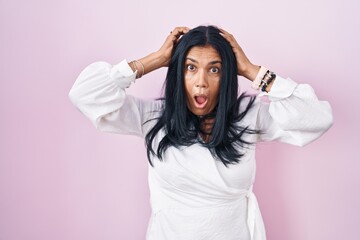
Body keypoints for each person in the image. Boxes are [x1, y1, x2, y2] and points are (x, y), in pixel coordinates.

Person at [68, 25, 333, 240]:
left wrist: (251, 70)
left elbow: (318, 118)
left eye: (215, 69)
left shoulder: (250, 115)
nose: (201, 82)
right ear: (177, 72)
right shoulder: (151, 118)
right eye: (190, 67)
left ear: (227, 75)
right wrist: (155, 60)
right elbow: (84, 95)